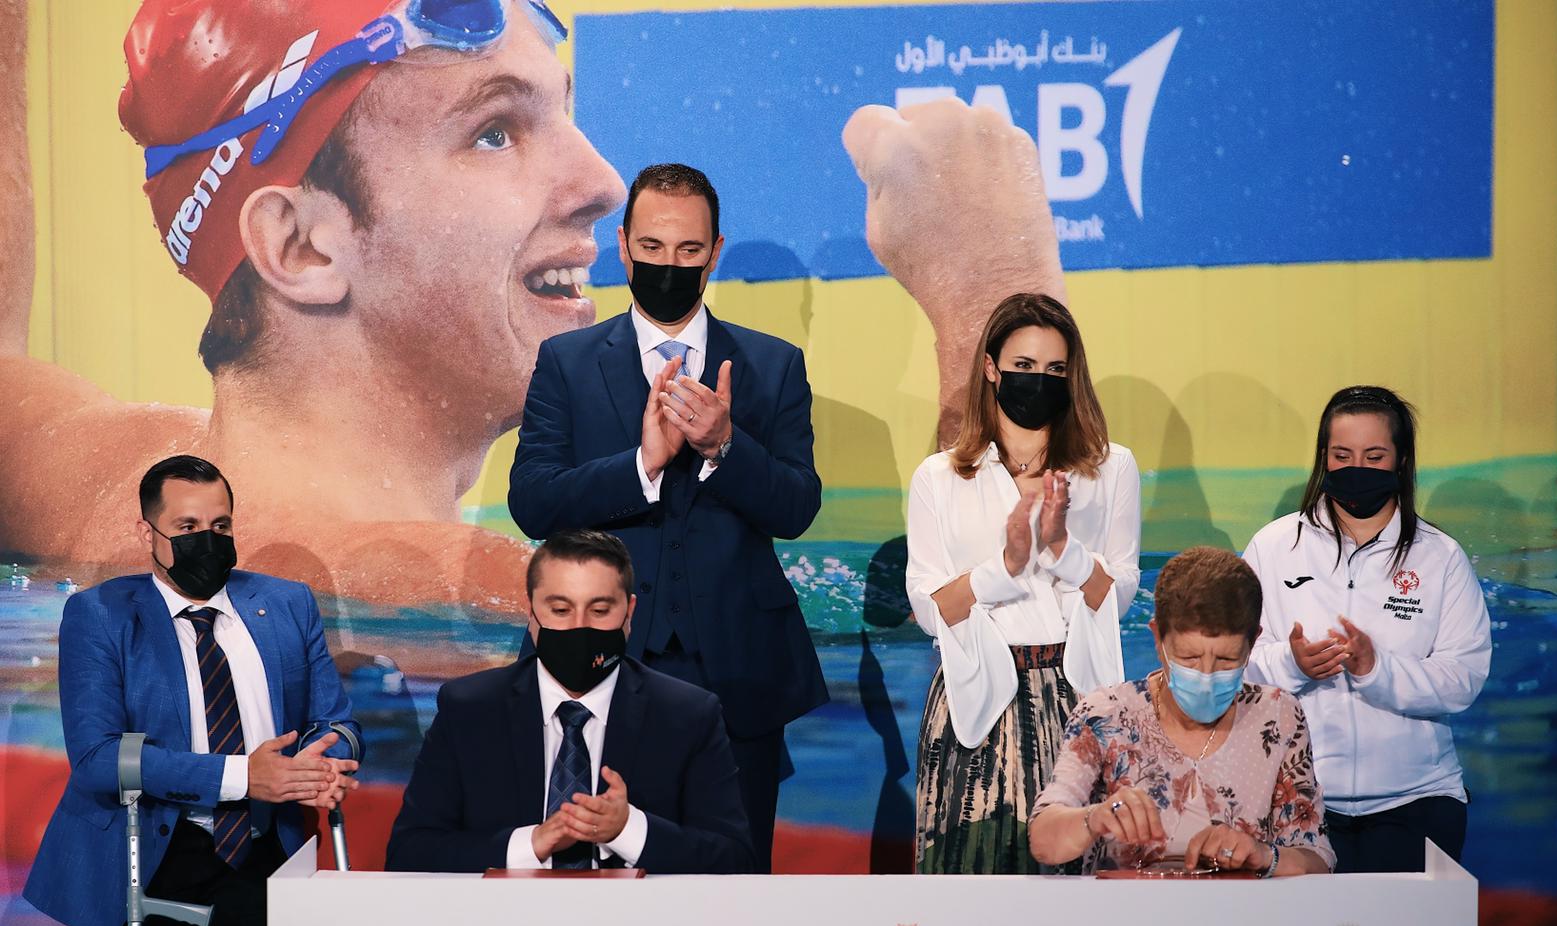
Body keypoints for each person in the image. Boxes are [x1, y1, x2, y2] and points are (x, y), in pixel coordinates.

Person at [0, 0, 1074, 613]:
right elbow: (1015, 648)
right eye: (495, 131)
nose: (605, 180)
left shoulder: (92, 471)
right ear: (302, 245)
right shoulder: (445, 589)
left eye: (563, 113)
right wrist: (993, 286)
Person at [507, 164, 827, 873]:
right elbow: (532, 500)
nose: (669, 266)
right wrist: (642, 467)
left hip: (739, 678)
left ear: (715, 252)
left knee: (732, 885)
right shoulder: (566, 361)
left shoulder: (773, 368)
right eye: (652, 248)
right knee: (595, 889)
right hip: (597, 669)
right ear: (622, 246)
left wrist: (725, 446)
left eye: (688, 252)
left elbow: (798, 507)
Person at [23, 455, 361, 926]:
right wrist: (243, 775)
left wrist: (328, 759)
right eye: (186, 528)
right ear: (146, 533)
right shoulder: (101, 614)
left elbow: (337, 721)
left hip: (263, 837)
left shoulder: (286, 603)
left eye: (222, 525)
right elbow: (98, 759)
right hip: (157, 836)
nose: (209, 540)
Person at [905, 292, 1140, 874]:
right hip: (975, 704)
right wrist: (1003, 570)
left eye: (1056, 370)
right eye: (1025, 368)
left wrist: (1061, 550)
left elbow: (1120, 594)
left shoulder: (1111, 469)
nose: (1040, 381)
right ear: (991, 368)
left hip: (1076, 699)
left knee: (1078, 891)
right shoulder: (940, 477)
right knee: (968, 888)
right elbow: (931, 608)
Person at [386, 530, 754, 874]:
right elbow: (410, 853)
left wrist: (627, 830)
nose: (580, 627)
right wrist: (531, 845)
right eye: (560, 611)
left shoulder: (687, 714)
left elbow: (736, 861)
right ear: (531, 613)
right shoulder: (469, 708)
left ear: (629, 613)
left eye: (599, 610)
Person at [1242, 386, 1491, 872]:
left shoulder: (1439, 557)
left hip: (1417, 801)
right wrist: (1289, 664)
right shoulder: (1273, 547)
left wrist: (1377, 670)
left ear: (1400, 461)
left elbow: (1463, 678)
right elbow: (1231, 662)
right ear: (1323, 458)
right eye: (1342, 455)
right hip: (1296, 800)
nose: (1357, 467)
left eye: (1374, 456)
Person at [1030, 547, 1335, 877]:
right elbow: (1045, 841)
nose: (1206, 675)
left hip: (1242, 922)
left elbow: (1316, 859)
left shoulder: (1277, 716)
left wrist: (1264, 855)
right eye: (1189, 658)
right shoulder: (1106, 714)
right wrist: (1095, 818)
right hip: (1123, 922)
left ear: (1252, 643)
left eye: (1226, 660)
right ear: (1158, 638)